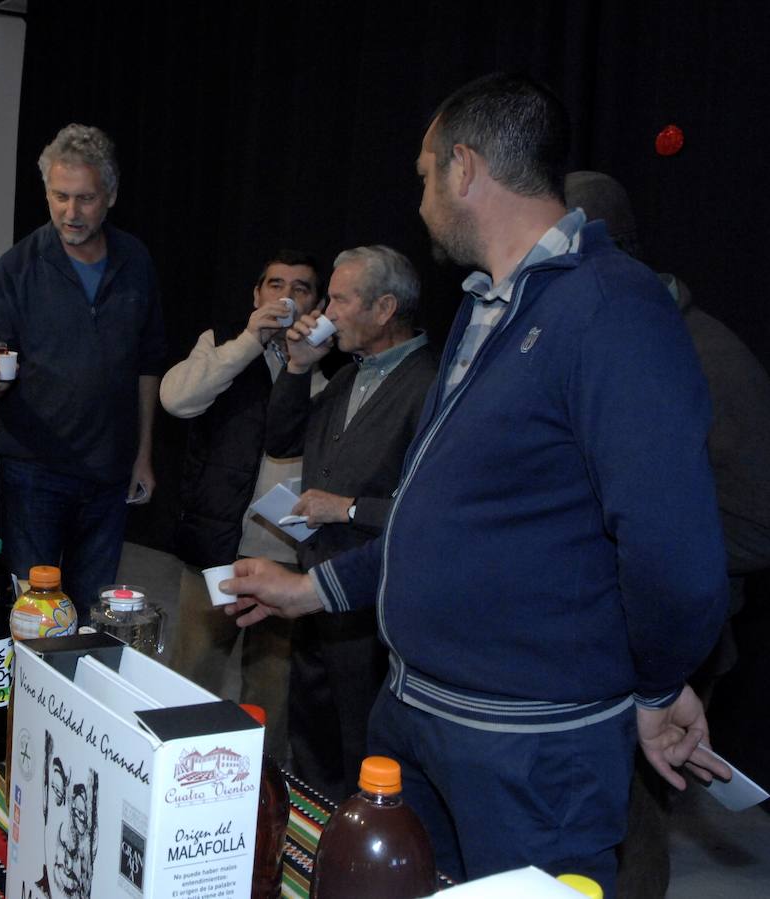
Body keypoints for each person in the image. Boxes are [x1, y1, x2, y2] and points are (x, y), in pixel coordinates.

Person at [220, 73, 731, 892]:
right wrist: (310, 590)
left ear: (464, 169)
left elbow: (676, 553)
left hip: (527, 756)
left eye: (424, 173)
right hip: (419, 720)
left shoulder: (612, 311)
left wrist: (660, 681)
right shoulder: (487, 309)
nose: (419, 196)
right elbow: (439, 519)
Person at [565, 169, 770, 898]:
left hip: (673, 637)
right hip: (608, 630)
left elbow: (756, 526)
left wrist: (648, 535)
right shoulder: (622, 332)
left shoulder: (710, 357)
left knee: (632, 822)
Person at [266, 245, 438, 797]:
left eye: (340, 298)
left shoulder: (429, 386)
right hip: (314, 589)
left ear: (385, 308)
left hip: (373, 608)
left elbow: (438, 515)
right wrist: (297, 368)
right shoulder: (347, 375)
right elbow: (281, 439)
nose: (326, 312)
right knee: (312, 740)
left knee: (362, 752)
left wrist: (347, 508)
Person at [0, 124, 165, 615]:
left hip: (109, 472)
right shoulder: (16, 267)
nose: (70, 212)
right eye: (60, 196)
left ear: (111, 196)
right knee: (29, 613)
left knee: (93, 613)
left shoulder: (137, 261)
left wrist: (142, 455)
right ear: (46, 191)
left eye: (85, 198)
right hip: (34, 471)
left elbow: (147, 366)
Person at [161, 249, 323, 765]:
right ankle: (179, 775)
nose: (286, 297)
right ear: (256, 295)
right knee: (194, 673)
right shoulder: (223, 344)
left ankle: (262, 792)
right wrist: (251, 341)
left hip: (287, 557)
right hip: (216, 546)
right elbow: (176, 399)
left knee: (272, 689)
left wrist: (307, 365)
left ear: (317, 304)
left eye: (301, 288)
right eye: (275, 284)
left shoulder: (332, 366)